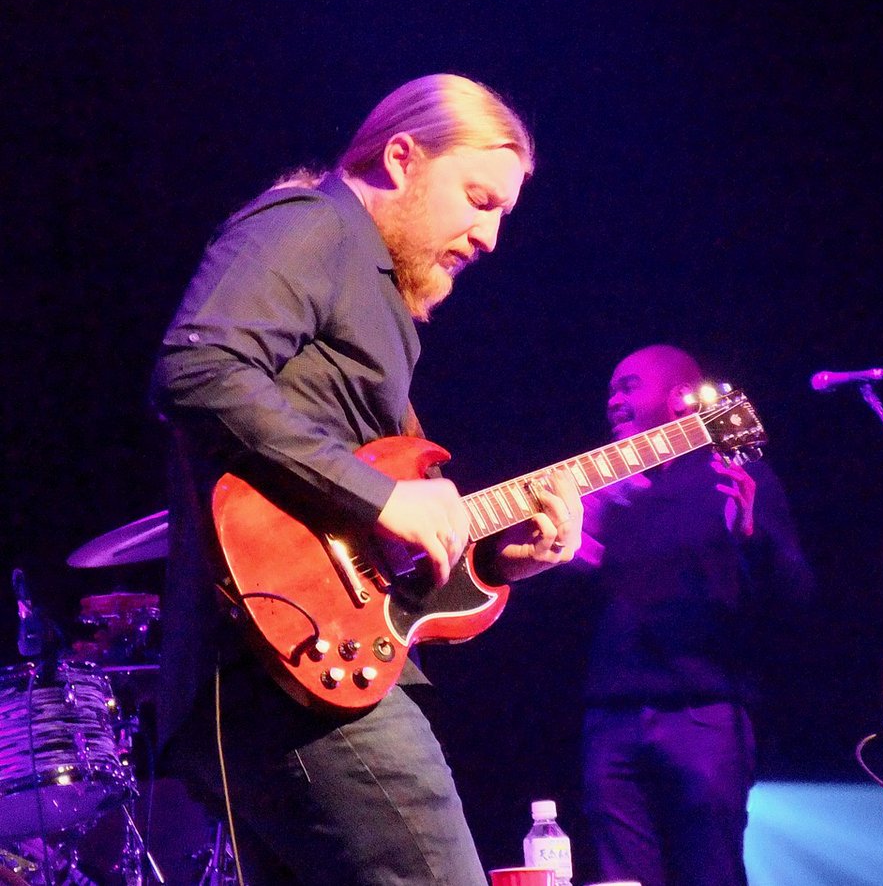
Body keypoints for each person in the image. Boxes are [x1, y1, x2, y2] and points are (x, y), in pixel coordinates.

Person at [150, 73, 583, 885]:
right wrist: (382, 494)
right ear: (401, 157)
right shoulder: (312, 223)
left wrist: (495, 559)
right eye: (479, 197)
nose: (489, 236)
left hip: (315, 658)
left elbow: (369, 529)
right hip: (286, 671)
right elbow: (198, 365)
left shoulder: (377, 295)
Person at [576, 344, 812, 886]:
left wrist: (755, 538)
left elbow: (798, 599)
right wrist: (582, 529)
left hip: (704, 715)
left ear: (681, 397)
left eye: (629, 385)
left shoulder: (734, 474)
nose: (614, 399)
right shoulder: (604, 487)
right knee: (620, 879)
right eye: (611, 389)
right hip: (611, 715)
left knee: (710, 874)